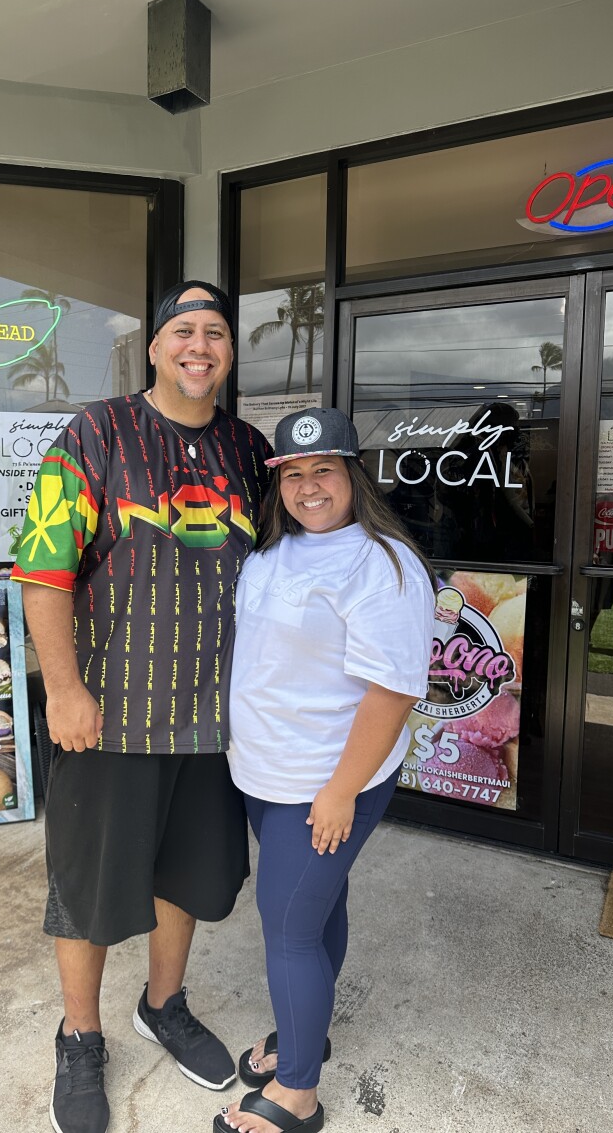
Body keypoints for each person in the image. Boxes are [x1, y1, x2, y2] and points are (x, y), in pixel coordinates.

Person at [11, 281, 271, 1133]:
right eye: (183, 330)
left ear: (228, 352)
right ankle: (80, 1034)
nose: (200, 345)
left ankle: (163, 1003)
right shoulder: (95, 432)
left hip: (214, 720)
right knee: (87, 888)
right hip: (108, 717)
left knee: (187, 877)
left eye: (216, 332)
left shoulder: (248, 448)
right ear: (156, 347)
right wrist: (64, 688)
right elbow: (42, 570)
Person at [215, 408, 435, 1133]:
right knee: (316, 911)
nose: (311, 487)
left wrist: (341, 789)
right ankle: (304, 1031)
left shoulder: (384, 563)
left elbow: (394, 689)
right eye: (295, 473)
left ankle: (298, 1094)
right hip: (265, 773)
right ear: (279, 482)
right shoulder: (272, 552)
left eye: (325, 470)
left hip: (329, 780)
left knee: (287, 927)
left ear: (353, 476)